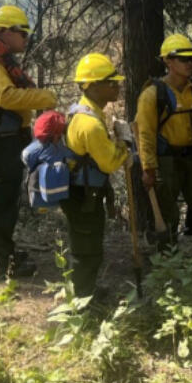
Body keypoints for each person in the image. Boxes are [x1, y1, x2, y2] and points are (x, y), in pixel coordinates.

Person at [0, 4, 57, 277]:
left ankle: (1, 255)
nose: (25, 38)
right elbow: (6, 97)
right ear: (5, 31)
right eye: (22, 32)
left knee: (1, 201)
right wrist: (44, 98)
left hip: (5, 144)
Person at [135, 34, 192, 251]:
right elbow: (145, 134)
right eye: (184, 59)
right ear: (168, 61)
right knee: (168, 210)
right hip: (166, 160)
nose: (190, 63)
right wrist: (148, 168)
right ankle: (168, 258)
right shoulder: (152, 94)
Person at [62, 53, 130, 300]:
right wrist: (125, 145)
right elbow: (109, 162)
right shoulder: (89, 123)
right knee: (86, 250)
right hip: (82, 195)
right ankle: (82, 301)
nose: (116, 86)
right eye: (110, 82)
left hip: (84, 191)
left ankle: (86, 291)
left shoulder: (87, 111)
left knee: (88, 245)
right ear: (93, 86)